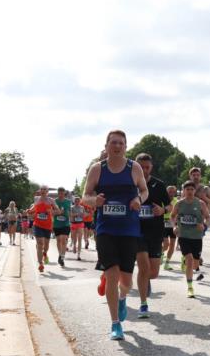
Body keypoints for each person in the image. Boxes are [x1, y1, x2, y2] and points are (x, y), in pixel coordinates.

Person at [82, 130, 149, 341]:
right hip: (105, 228)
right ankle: (115, 324)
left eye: (121, 143)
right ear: (107, 145)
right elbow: (85, 195)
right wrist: (94, 201)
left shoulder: (134, 168)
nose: (117, 146)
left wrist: (139, 199)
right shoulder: (97, 169)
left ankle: (122, 298)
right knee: (112, 274)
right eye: (113, 142)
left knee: (126, 281)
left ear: (126, 146)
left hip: (129, 229)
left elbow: (144, 191)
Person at [133, 153, 171, 318]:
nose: (144, 170)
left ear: (151, 167)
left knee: (153, 272)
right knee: (143, 267)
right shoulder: (130, 183)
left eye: (147, 167)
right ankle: (143, 304)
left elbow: (170, 205)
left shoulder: (159, 184)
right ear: (136, 166)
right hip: (136, 231)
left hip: (155, 231)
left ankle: (145, 279)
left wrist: (163, 210)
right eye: (141, 167)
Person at [172, 181, 210, 298]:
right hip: (184, 236)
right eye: (187, 189)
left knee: (195, 263)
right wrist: (174, 226)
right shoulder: (179, 204)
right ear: (183, 191)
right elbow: (173, 216)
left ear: (194, 191)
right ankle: (190, 287)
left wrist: (204, 226)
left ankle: (188, 263)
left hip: (197, 237)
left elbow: (208, 217)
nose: (189, 191)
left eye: (192, 189)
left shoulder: (200, 204)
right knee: (189, 260)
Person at [27, 187, 59, 273]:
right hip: (37, 224)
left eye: (45, 189)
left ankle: (45, 253)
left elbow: (58, 211)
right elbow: (34, 207)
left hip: (48, 225)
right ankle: (40, 264)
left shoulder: (51, 200)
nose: (43, 191)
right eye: (42, 189)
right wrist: (30, 210)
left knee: (46, 246)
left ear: (47, 192)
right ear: (40, 191)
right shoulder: (36, 199)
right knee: (39, 243)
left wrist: (51, 212)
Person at [52, 187, 72, 267]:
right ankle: (60, 254)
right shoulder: (54, 201)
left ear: (64, 193)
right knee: (58, 240)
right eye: (59, 193)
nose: (60, 195)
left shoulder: (68, 202)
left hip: (66, 224)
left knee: (63, 240)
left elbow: (70, 213)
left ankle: (62, 257)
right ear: (58, 193)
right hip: (57, 224)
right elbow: (51, 213)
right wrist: (58, 212)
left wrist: (67, 213)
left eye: (62, 193)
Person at [162, 185, 178, 270]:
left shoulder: (176, 201)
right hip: (163, 223)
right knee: (166, 244)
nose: (171, 193)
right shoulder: (162, 200)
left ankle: (167, 263)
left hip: (173, 224)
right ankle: (160, 254)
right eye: (169, 192)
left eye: (173, 192)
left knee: (172, 245)